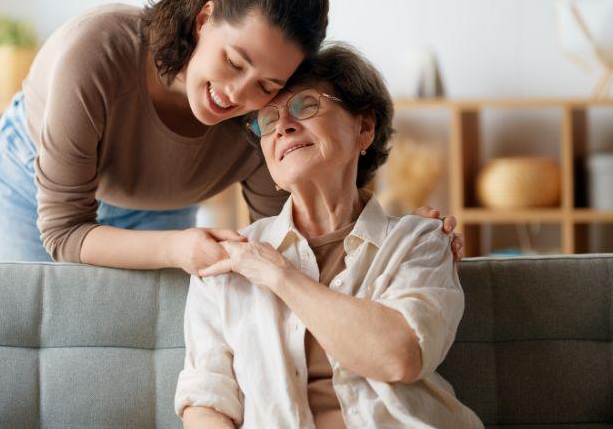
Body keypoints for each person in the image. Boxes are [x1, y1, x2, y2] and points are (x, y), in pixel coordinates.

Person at [0, 0, 464, 273]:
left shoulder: (263, 122)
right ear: (205, 19)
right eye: (233, 61)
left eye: (267, 85)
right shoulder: (98, 53)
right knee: (24, 336)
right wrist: (175, 249)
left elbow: (296, 241)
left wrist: (404, 240)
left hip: (159, 207)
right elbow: (64, 232)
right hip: (36, 186)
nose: (235, 94)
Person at [176, 44, 483, 428]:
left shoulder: (417, 241)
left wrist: (280, 276)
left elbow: (399, 355)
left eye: (305, 105)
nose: (283, 126)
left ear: (364, 127)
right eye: (268, 120)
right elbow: (207, 400)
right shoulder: (228, 259)